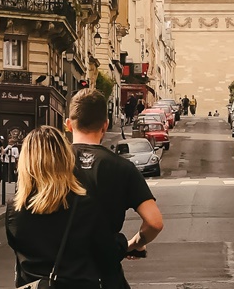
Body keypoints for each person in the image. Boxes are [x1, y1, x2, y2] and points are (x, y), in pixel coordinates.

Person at [5, 126, 127, 288]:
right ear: (65, 158)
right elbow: (107, 257)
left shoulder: (15, 208)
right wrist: (123, 243)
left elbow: (19, 251)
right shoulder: (84, 204)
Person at [68, 89, 164, 289]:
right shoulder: (122, 168)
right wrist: (135, 243)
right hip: (103, 276)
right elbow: (154, 222)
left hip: (52, 275)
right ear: (105, 125)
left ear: (69, 124)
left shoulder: (48, 165)